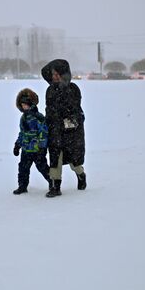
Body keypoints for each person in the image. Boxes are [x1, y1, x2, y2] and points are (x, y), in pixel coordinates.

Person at [41, 59, 86, 198]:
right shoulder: (49, 90)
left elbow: (75, 110)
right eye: (53, 74)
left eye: (57, 74)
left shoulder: (73, 89)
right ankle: (55, 186)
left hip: (71, 133)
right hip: (54, 131)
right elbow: (49, 109)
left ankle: (81, 175)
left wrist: (66, 121)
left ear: (64, 74)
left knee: (74, 160)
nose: (55, 77)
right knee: (55, 158)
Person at [12, 88, 51, 195]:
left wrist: (42, 147)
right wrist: (17, 145)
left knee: (42, 168)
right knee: (23, 168)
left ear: (31, 104)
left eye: (26, 104)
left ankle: (53, 183)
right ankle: (22, 186)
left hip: (37, 149)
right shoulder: (23, 118)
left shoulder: (38, 117)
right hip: (26, 149)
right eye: (22, 104)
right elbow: (22, 133)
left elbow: (43, 132)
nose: (24, 106)